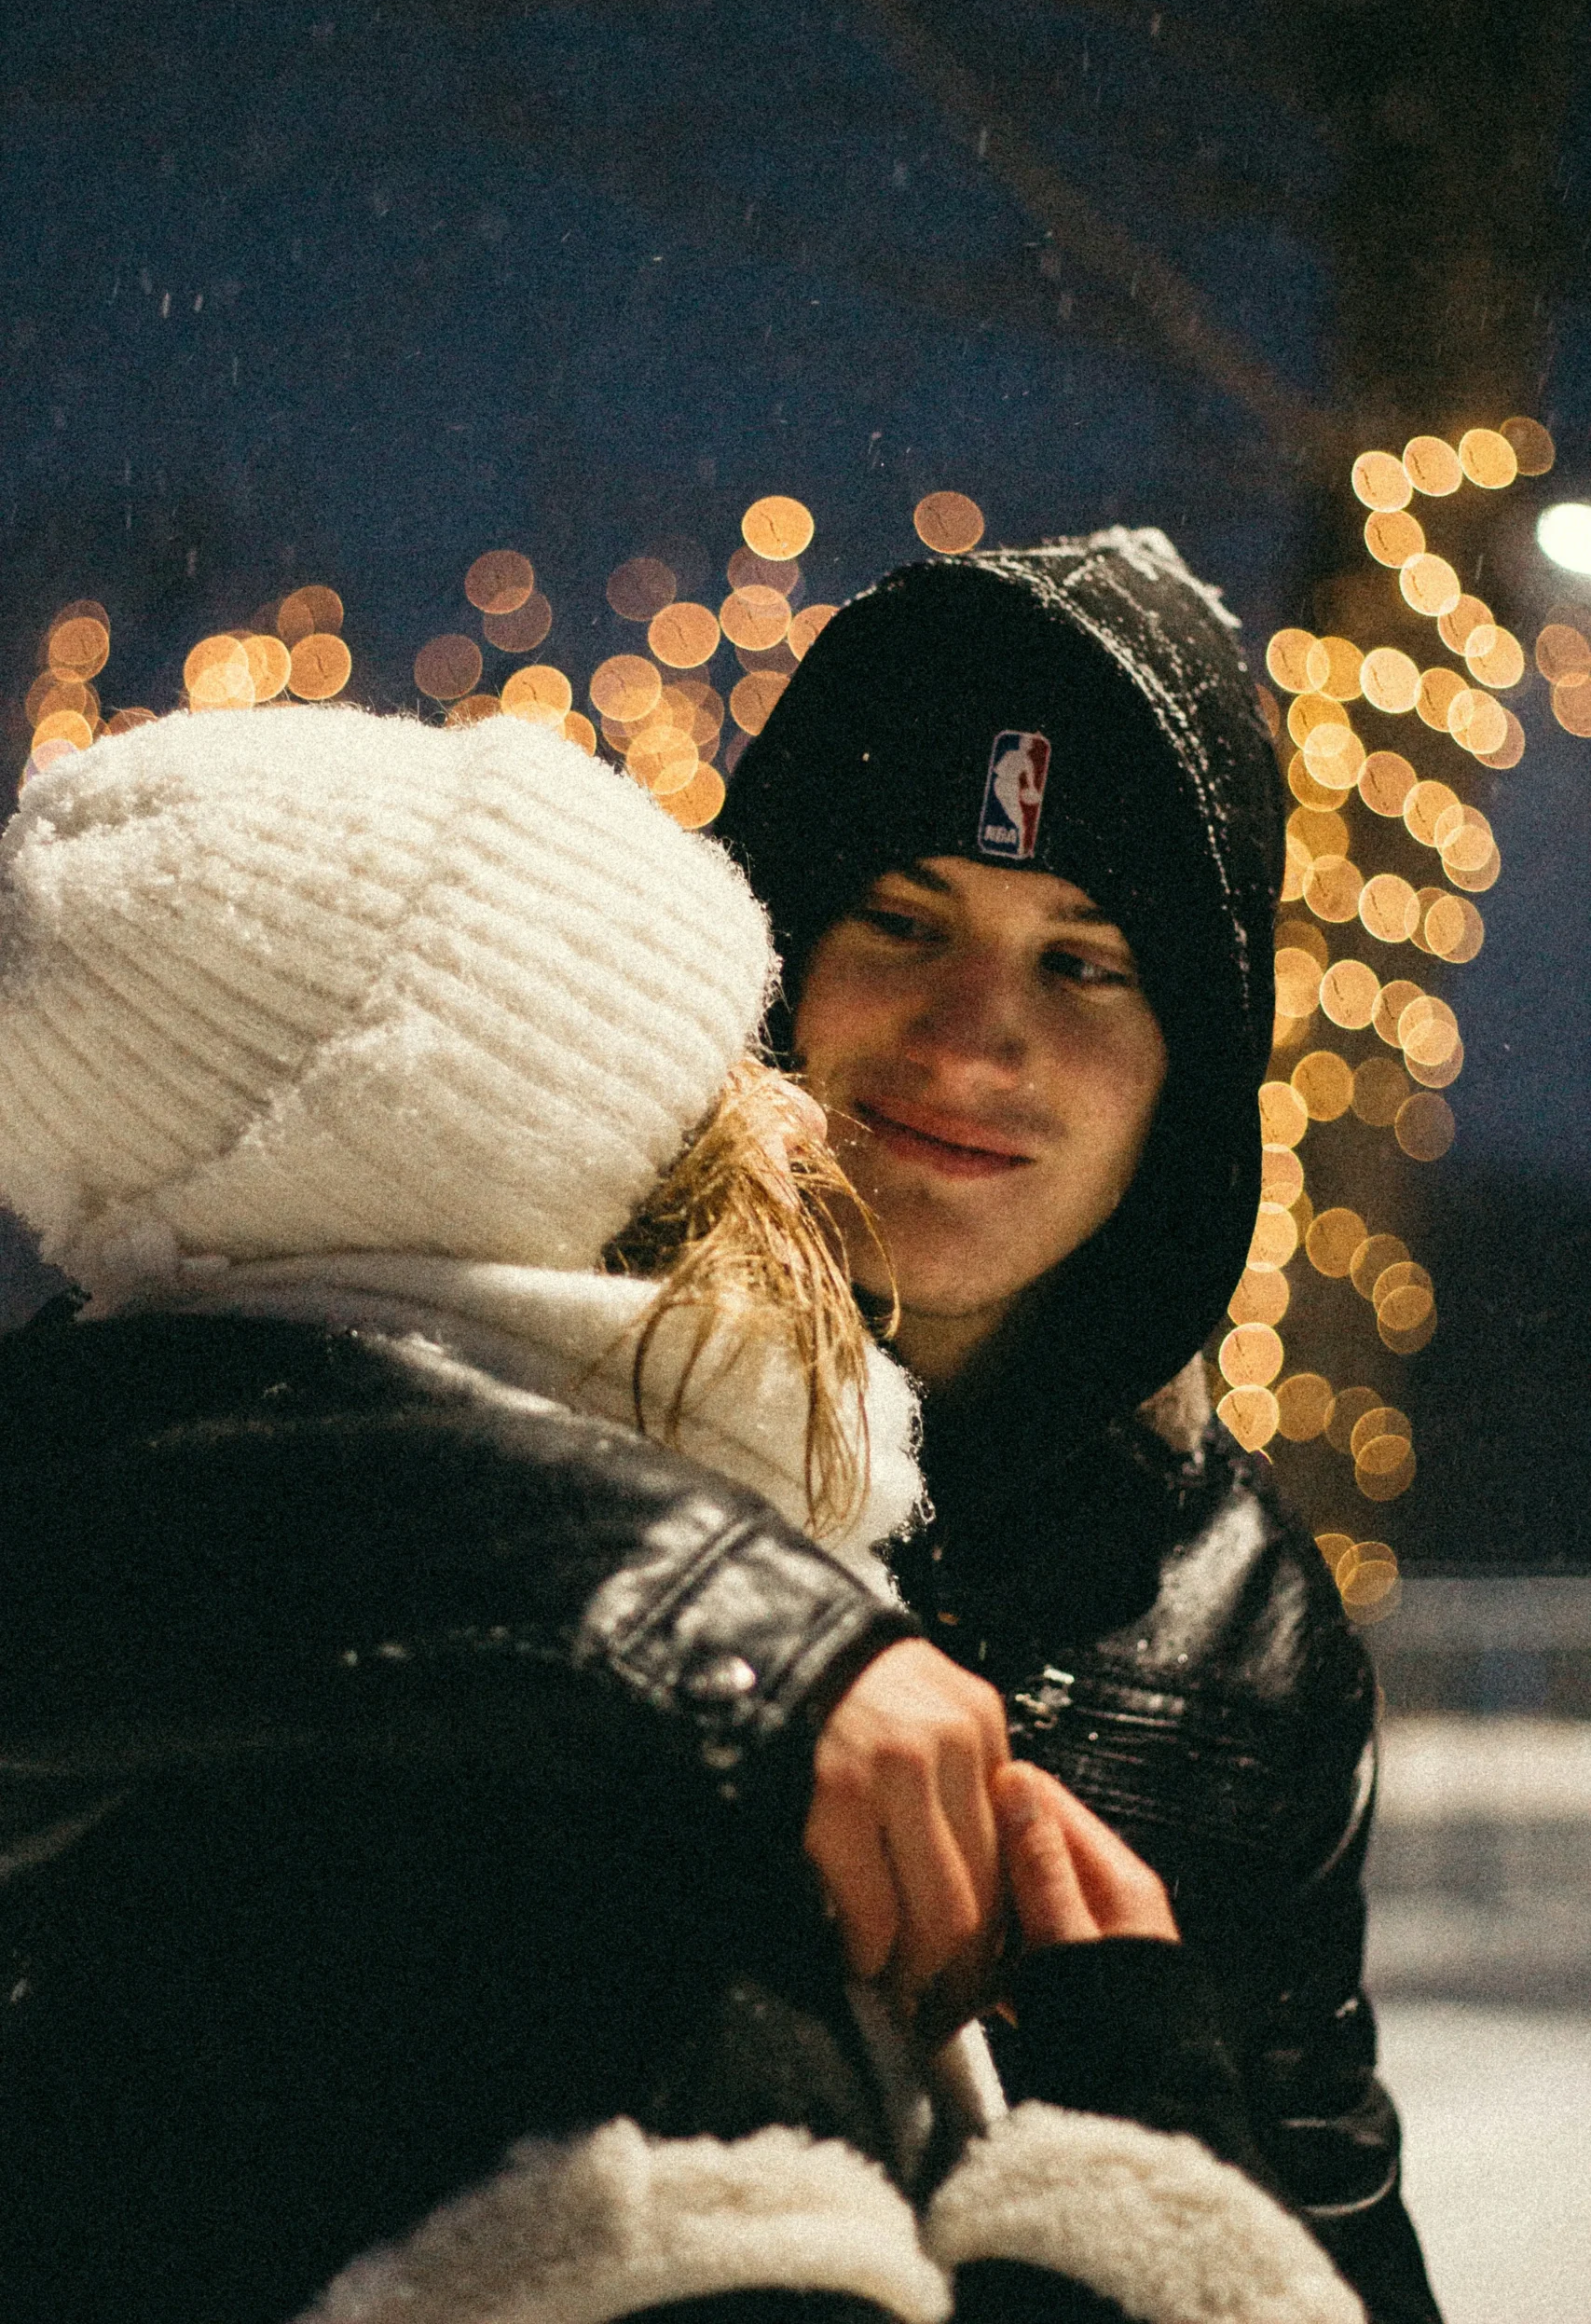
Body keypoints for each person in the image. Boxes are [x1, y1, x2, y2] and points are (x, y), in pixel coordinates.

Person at [0, 703, 1363, 2324]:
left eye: (1084, 962)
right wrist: (1147, 2165)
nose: (796, 1119)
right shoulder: (578, 1895)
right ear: (517, 1170)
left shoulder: (253, 1617)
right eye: (701, 1079)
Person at [719, 527, 1444, 2324]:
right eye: (902, 923)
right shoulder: (488, 1371)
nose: (974, 1042)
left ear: (1188, 1069)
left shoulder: (1238, 1620)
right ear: (765, 959)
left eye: (1086, 962)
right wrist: (690, 1618)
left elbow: (1322, 2211)